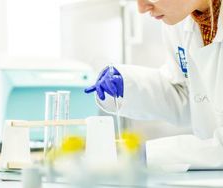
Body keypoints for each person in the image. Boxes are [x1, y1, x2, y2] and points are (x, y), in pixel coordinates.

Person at [85, 0, 223, 170]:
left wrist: (147, 153)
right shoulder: (179, 20)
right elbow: (187, 94)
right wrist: (128, 86)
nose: (141, 9)